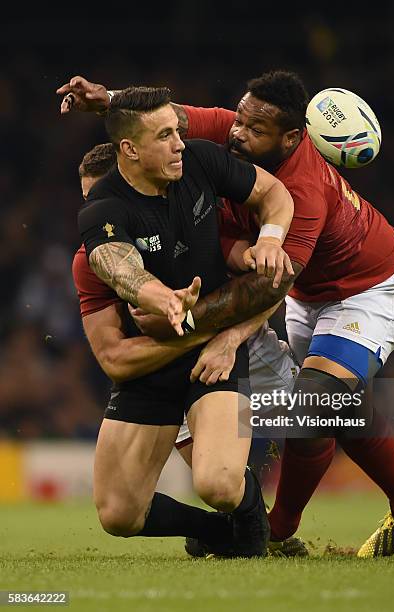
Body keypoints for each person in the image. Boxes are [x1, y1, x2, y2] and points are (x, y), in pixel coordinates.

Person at [57, 72, 394, 558]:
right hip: (307, 293)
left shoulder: (302, 191)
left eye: (253, 129)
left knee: (315, 403)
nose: (237, 132)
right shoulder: (234, 135)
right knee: (329, 404)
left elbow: (273, 282)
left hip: (368, 288)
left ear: (291, 138)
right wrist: (106, 99)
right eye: (238, 119)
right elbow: (172, 115)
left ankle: (280, 527)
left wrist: (222, 333)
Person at [71, 85, 298, 557]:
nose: (179, 143)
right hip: (152, 362)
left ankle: (249, 512)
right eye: (165, 136)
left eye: (177, 131)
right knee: (118, 514)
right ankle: (216, 532)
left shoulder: (198, 161)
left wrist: (272, 239)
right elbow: (122, 270)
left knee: (217, 483)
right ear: (130, 150)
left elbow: (273, 192)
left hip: (213, 358)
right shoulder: (104, 209)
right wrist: (168, 304)